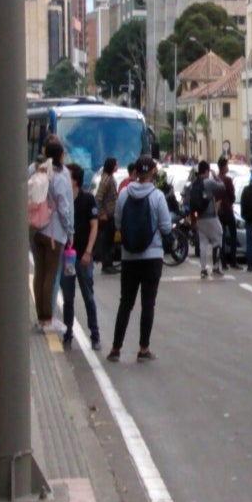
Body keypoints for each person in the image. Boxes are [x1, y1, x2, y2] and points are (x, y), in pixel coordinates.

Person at [108, 156, 172, 364]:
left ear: (136, 171)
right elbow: (166, 227)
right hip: (152, 256)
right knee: (148, 304)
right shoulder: (157, 196)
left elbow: (118, 222)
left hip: (129, 257)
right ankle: (143, 349)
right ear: (153, 171)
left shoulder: (125, 194)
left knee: (125, 303)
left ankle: (116, 348)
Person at [31, 138, 74, 332]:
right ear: (60, 156)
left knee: (39, 274)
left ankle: (40, 317)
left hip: (37, 229)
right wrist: (70, 230)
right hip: (54, 233)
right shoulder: (60, 178)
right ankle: (48, 319)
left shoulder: (38, 171)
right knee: (50, 275)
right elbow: (64, 209)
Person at [61, 163, 100, 349]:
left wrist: (88, 252)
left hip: (83, 254)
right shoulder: (64, 200)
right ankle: (67, 333)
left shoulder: (88, 199)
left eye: (67, 176)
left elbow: (94, 226)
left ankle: (95, 334)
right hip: (67, 255)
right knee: (68, 297)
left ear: (75, 180)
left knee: (88, 296)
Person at [186, 160, 225, 279]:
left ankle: (203, 269)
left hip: (200, 217)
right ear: (207, 170)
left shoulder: (194, 183)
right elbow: (222, 187)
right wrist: (216, 176)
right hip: (211, 216)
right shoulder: (208, 182)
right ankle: (216, 267)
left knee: (203, 243)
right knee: (218, 238)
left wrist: (193, 219)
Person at [95, 156, 119, 273]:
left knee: (110, 240)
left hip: (112, 214)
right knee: (107, 241)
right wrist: (102, 213)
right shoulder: (106, 180)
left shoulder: (110, 178)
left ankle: (109, 263)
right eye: (116, 164)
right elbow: (98, 198)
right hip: (107, 215)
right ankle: (106, 265)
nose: (117, 166)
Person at [216, 157, 238, 271]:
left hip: (219, 211)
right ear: (224, 167)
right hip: (228, 210)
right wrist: (230, 201)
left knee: (222, 236)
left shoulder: (215, 179)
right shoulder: (227, 180)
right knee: (233, 235)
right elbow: (232, 195)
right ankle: (233, 261)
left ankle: (223, 261)